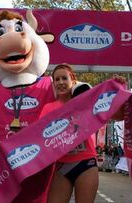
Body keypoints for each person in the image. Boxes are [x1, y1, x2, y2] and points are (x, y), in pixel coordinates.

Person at [39, 63, 98, 203]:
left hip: (86, 163)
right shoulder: (48, 108)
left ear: (73, 80)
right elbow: (37, 137)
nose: (61, 82)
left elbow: (110, 106)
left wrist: (117, 84)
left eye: (64, 78)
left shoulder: (85, 100)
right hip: (61, 165)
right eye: (57, 79)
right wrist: (7, 145)